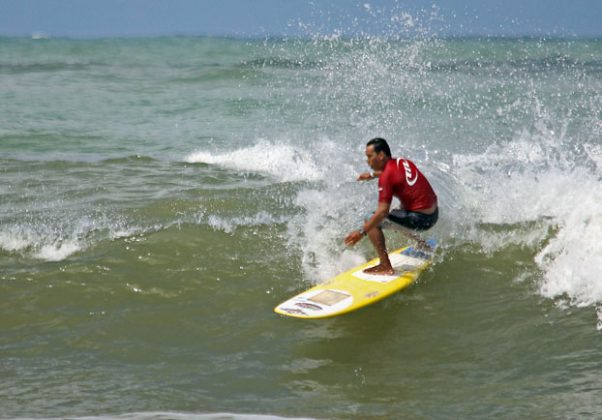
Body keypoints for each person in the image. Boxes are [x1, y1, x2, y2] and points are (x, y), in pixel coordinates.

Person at [344, 137, 439, 275]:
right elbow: (392, 173)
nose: (367, 160)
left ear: (381, 155)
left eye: (370, 156)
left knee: (371, 219)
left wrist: (361, 232)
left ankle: (385, 266)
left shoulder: (386, 178)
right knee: (396, 214)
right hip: (433, 214)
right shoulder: (401, 162)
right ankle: (422, 245)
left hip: (421, 220)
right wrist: (371, 175)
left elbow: (382, 212)